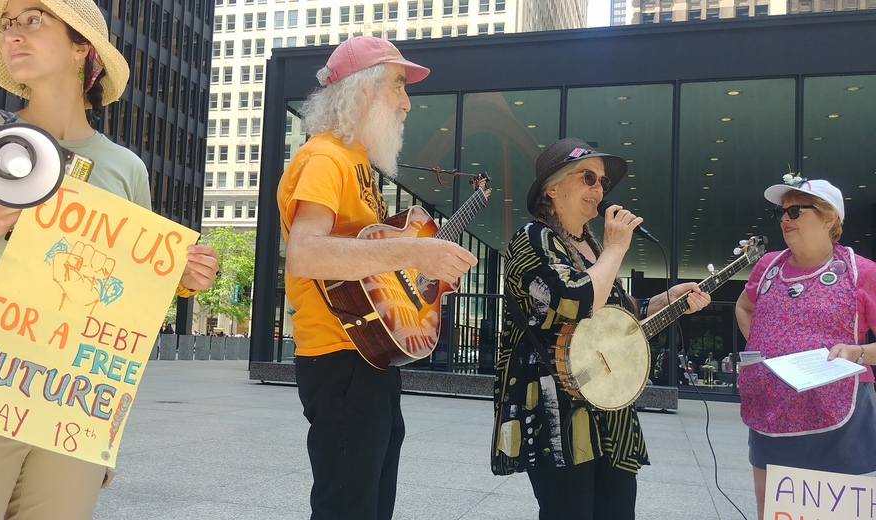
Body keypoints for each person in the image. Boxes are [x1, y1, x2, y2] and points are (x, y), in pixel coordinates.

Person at [0, 0, 219, 518]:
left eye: (32, 20)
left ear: (80, 49)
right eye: (8, 25)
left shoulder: (126, 168)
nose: (12, 35)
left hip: (74, 394)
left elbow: (125, 296)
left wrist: (180, 278)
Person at [277, 36, 477, 520]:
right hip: (338, 355)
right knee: (349, 503)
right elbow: (303, 254)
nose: (407, 102)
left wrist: (418, 272)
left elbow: (367, 265)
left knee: (366, 501)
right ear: (361, 90)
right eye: (398, 85)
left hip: (363, 354)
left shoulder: (355, 163)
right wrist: (414, 249)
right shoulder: (326, 157)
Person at [490, 138, 711, 520]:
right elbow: (574, 300)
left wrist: (668, 299)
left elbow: (621, 315)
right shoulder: (533, 238)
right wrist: (614, 250)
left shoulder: (591, 244)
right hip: (555, 403)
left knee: (617, 508)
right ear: (552, 187)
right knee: (569, 510)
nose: (599, 190)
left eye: (603, 183)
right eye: (588, 178)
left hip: (608, 401)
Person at [735, 177, 876, 520]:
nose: (785, 219)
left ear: (829, 218)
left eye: (796, 211)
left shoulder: (862, 273)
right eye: (782, 212)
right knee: (773, 513)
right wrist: (763, 353)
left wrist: (857, 353)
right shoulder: (768, 266)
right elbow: (744, 307)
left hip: (838, 419)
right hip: (770, 413)